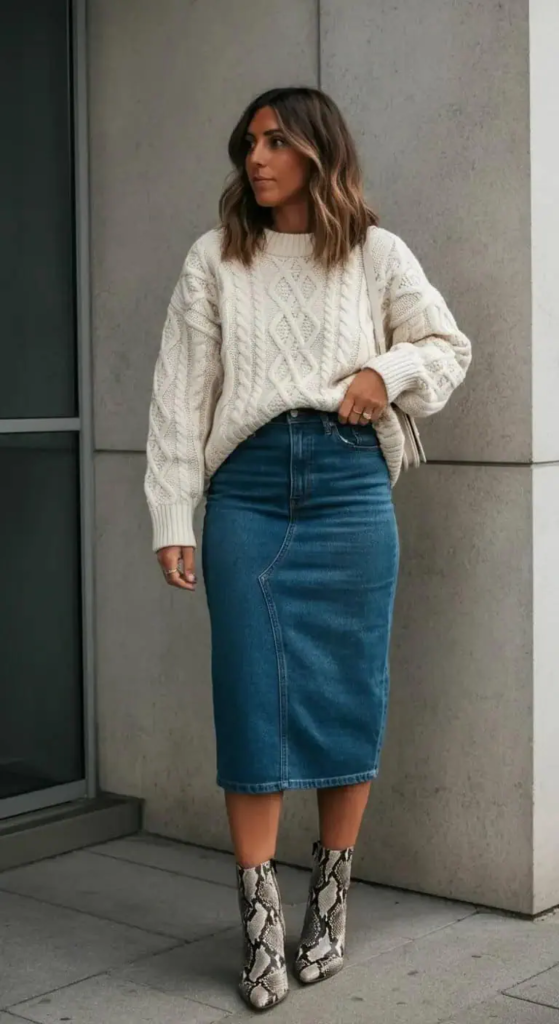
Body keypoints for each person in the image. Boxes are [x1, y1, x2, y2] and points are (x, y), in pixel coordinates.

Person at [144, 86, 471, 1012]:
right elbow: (179, 396)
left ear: (318, 152)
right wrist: (174, 513)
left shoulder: (376, 253)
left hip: (347, 492)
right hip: (247, 493)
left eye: (276, 141)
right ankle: (258, 925)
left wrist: (382, 371)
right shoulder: (215, 259)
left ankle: (328, 904)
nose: (254, 158)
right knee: (249, 700)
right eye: (247, 142)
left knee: (343, 694)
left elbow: (446, 347)